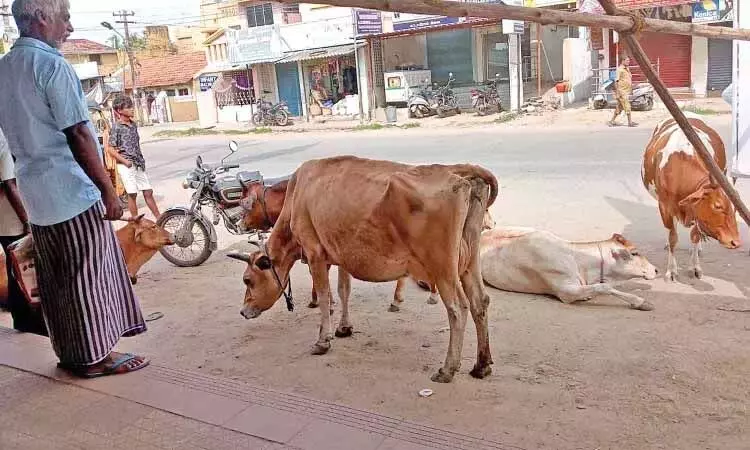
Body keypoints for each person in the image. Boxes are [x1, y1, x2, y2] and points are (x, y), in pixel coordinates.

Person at [0, 0, 149, 378]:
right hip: (70, 194)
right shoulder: (51, 65)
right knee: (89, 277)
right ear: (41, 19)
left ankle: (70, 353)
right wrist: (108, 192)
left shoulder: (4, 68)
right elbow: (79, 134)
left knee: (57, 280)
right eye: (64, 18)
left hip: (37, 196)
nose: (68, 26)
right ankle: (95, 357)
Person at [0, 128, 47, 336]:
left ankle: (22, 319)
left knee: (15, 271)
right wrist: (27, 220)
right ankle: (30, 322)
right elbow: (10, 184)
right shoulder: (3, 135)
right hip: (13, 218)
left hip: (4, 218)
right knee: (25, 271)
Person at [108, 95, 161, 219]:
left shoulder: (133, 125)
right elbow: (110, 148)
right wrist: (124, 161)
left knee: (148, 191)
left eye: (132, 106)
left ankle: (160, 218)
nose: (132, 109)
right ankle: (135, 221)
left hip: (138, 163)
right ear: (120, 111)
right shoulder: (117, 127)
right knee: (132, 194)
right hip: (126, 164)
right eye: (128, 107)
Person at [608, 56, 638, 128]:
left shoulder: (627, 69)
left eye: (629, 60)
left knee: (619, 107)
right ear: (622, 61)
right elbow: (616, 81)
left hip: (626, 91)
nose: (628, 62)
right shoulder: (620, 70)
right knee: (627, 105)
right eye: (627, 61)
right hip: (622, 91)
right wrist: (618, 92)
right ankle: (630, 122)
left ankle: (612, 121)